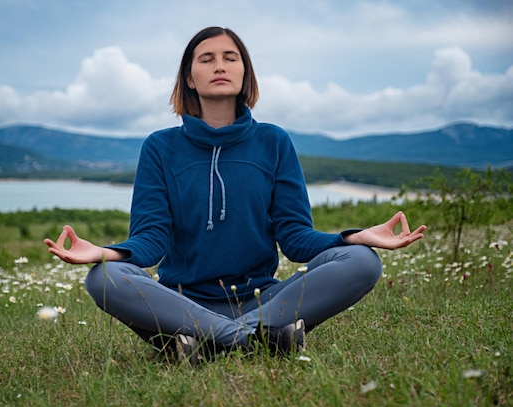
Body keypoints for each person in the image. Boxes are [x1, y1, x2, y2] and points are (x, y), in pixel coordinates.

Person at [44, 26, 426, 365]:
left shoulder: (273, 142)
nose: (219, 66)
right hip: (181, 303)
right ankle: (254, 339)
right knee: (103, 278)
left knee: (362, 261)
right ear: (190, 78)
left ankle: (208, 342)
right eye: (206, 59)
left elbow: (295, 238)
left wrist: (355, 237)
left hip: (262, 300)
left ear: (245, 73)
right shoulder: (160, 148)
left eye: (230, 57)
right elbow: (151, 240)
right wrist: (104, 253)